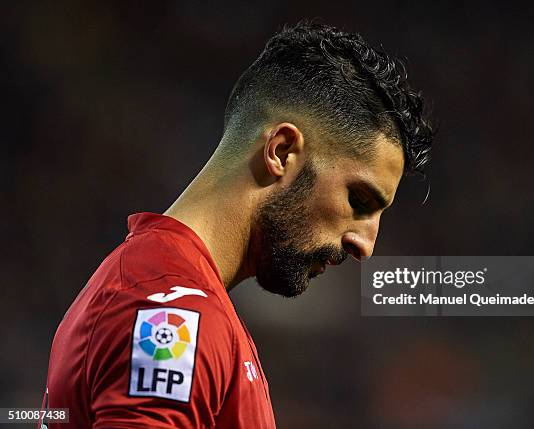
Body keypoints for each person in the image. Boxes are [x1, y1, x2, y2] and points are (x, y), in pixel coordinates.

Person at [41, 21, 433, 429]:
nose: (365, 244)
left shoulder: (176, 297)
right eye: (359, 201)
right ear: (281, 151)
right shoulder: (170, 314)